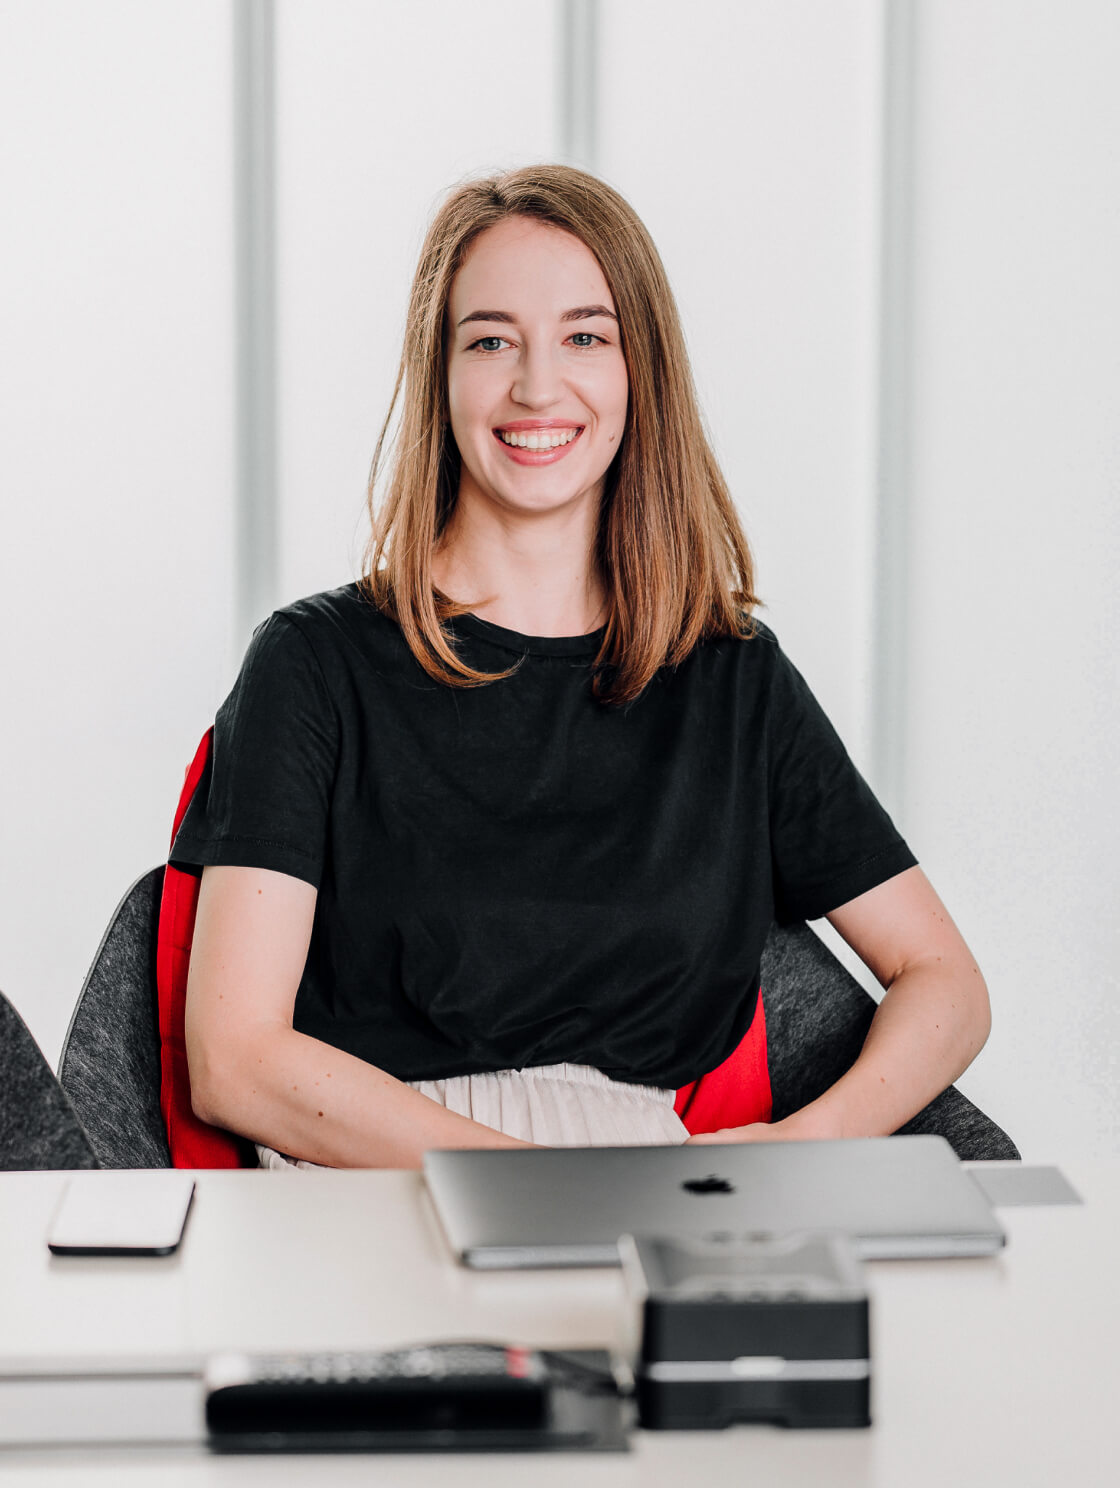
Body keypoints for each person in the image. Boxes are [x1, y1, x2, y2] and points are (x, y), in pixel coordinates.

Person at [173, 164, 991, 1170]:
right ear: (440, 375)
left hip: (650, 1188)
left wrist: (797, 1150)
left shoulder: (728, 677)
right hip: (371, 1185)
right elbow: (233, 1058)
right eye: (490, 341)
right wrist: (528, 1187)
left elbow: (944, 980)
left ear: (639, 370)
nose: (536, 385)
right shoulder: (315, 665)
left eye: (584, 337)